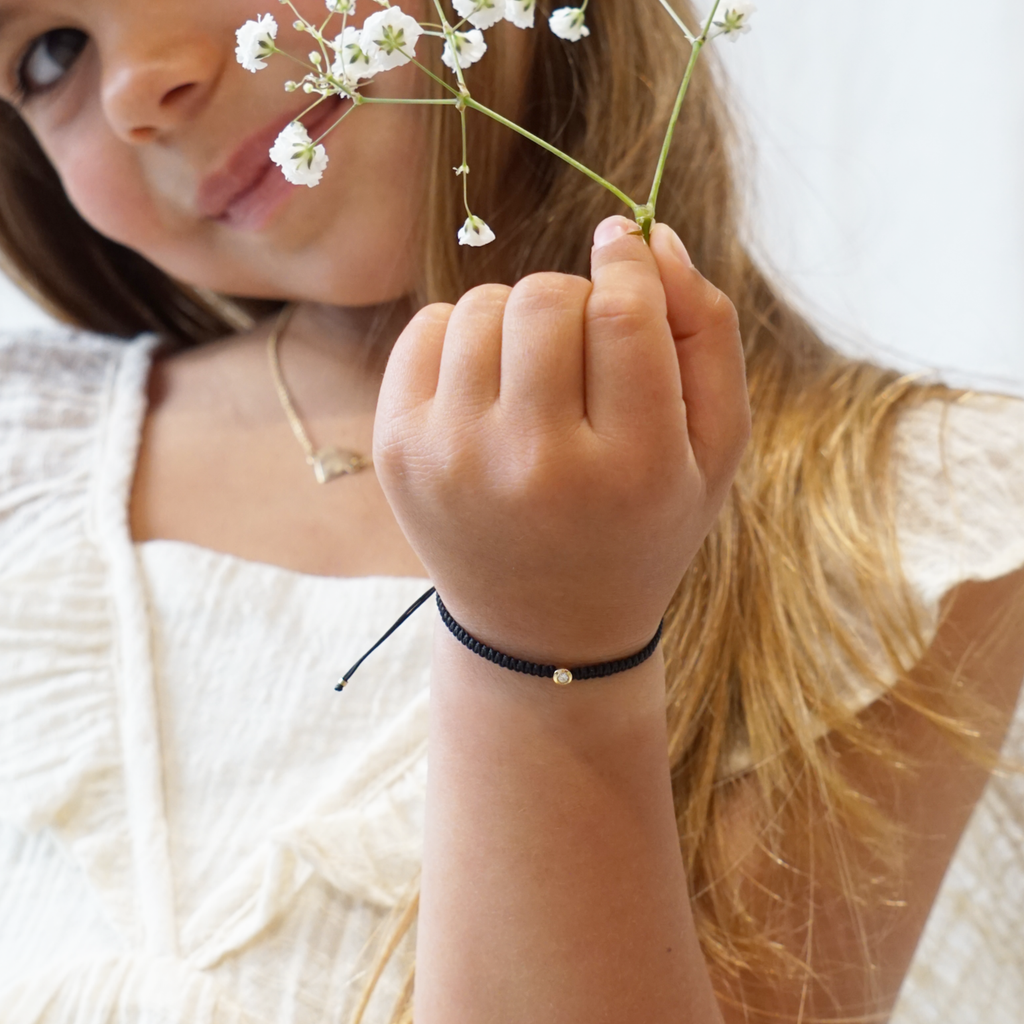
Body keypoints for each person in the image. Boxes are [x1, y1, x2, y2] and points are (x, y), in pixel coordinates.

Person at [0, 1, 1022, 1022]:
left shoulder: (905, 516)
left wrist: (550, 647)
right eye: (49, 53)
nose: (140, 86)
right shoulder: (27, 461)